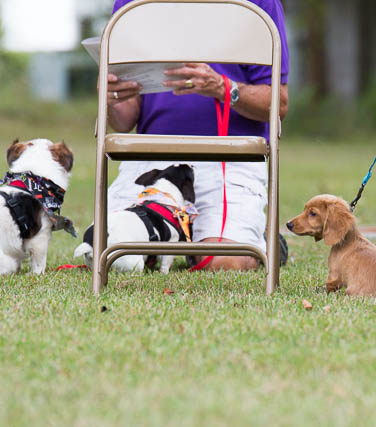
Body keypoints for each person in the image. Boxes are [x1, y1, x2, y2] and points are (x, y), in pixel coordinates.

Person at [104, 0, 289, 271]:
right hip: (151, 156)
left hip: (230, 156)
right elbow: (124, 120)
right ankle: (184, 236)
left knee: (224, 261)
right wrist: (112, 97)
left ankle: (248, 237)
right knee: (109, 253)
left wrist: (223, 88)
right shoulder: (130, 4)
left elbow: (278, 104)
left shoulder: (260, 4)